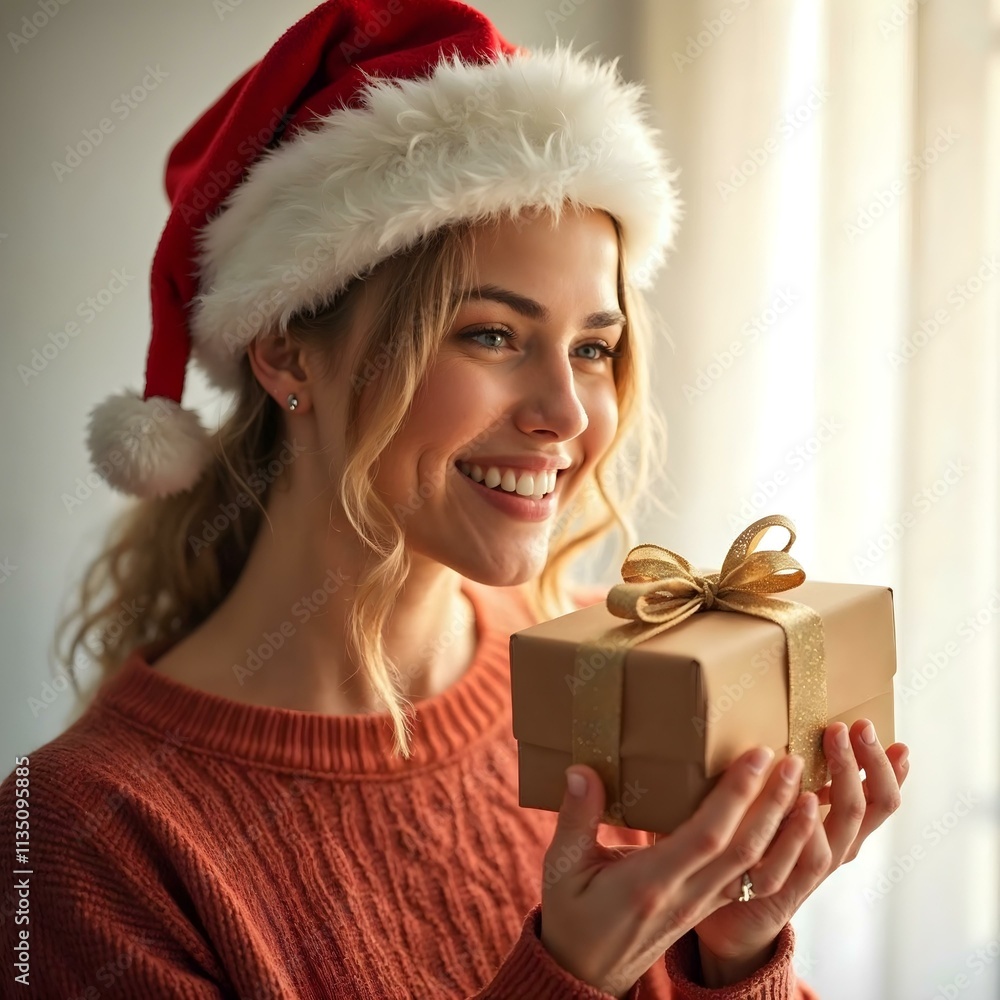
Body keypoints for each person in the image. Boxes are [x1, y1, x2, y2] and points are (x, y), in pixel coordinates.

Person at [0, 1, 910, 997]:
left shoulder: (594, 678)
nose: (566, 412)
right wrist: (568, 974)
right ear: (285, 350)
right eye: (490, 335)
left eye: (593, 348)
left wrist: (730, 955)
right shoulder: (82, 836)